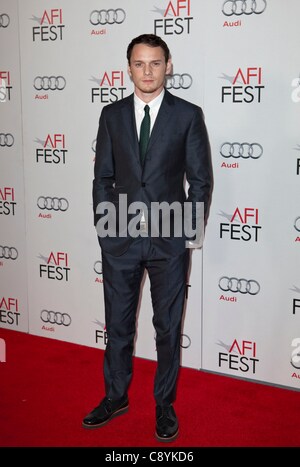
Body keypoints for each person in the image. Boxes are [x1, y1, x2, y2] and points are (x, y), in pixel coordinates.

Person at [82, 33, 213, 442]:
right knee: (118, 327)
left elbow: (201, 181)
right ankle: (116, 396)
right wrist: (106, 229)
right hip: (119, 240)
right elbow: (102, 177)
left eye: (155, 63)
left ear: (168, 65)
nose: (148, 71)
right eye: (139, 64)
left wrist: (186, 234)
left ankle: (164, 404)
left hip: (168, 243)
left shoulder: (188, 115)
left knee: (167, 328)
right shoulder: (111, 114)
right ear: (129, 68)